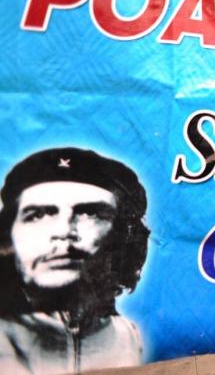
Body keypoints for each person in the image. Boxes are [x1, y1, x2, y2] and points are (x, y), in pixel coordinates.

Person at [0, 147, 150, 374]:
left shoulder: (127, 336)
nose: (63, 231)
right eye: (38, 215)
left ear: (124, 236)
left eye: (90, 213)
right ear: (8, 234)